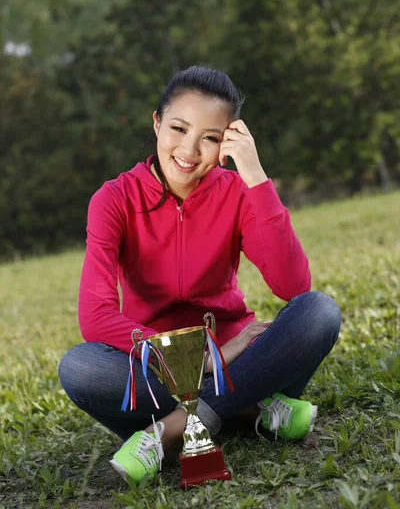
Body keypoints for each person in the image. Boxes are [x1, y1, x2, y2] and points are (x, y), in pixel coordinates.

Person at [58, 65, 341, 486]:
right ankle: (249, 411)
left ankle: (171, 430)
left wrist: (256, 177)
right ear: (156, 123)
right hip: (164, 367)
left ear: (228, 141)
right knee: (81, 367)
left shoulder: (237, 192)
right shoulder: (113, 199)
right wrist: (205, 362)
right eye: (178, 128)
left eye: (210, 137)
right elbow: (96, 316)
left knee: (318, 311)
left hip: (241, 361)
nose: (189, 150)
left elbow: (293, 286)